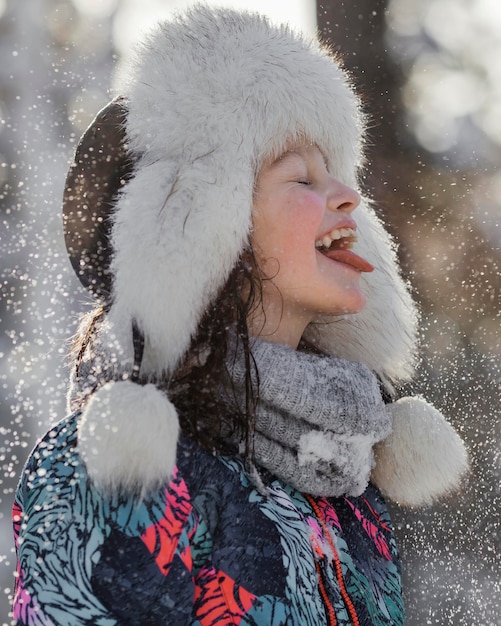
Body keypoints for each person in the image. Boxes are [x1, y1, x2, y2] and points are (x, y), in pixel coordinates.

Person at [12, 5, 468, 625]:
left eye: (335, 173)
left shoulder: (347, 486)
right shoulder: (121, 466)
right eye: (301, 178)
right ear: (213, 227)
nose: (348, 197)